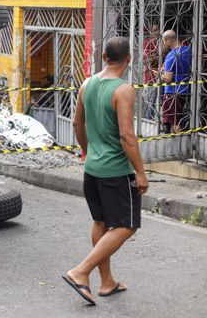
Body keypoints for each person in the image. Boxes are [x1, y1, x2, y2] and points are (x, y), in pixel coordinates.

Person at [63, 36, 149, 306]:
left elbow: (78, 124)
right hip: (115, 171)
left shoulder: (87, 84)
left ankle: (107, 282)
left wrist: (89, 151)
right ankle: (81, 271)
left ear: (103, 57)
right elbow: (126, 135)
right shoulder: (123, 90)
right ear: (129, 59)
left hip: (93, 169)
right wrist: (141, 172)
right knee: (127, 225)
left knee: (101, 222)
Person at [160, 30, 192, 133]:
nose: (164, 43)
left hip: (172, 92)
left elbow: (168, 79)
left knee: (175, 121)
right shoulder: (189, 51)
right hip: (187, 89)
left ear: (167, 40)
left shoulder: (171, 56)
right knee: (180, 118)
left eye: (164, 41)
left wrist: (159, 75)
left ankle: (179, 145)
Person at [142, 24, 160, 119]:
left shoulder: (165, 42)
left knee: (164, 106)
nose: (156, 32)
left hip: (164, 78)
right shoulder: (148, 43)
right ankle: (150, 126)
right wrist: (160, 55)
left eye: (157, 30)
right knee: (149, 104)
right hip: (151, 78)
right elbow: (148, 60)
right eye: (154, 30)